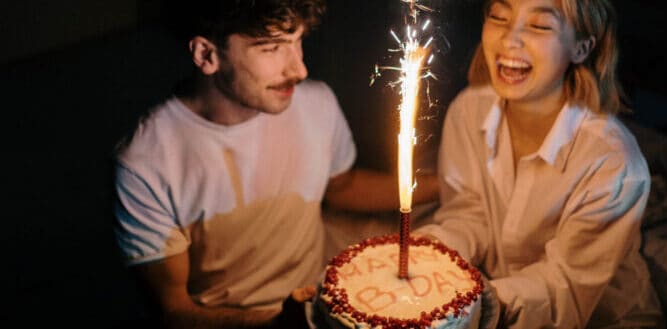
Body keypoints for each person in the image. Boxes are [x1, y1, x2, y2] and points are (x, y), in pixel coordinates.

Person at [112, 1, 438, 328]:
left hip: (324, 298)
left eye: (297, 42)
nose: (299, 70)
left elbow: (341, 187)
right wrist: (281, 323)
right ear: (206, 55)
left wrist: (447, 183)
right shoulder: (146, 162)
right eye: (272, 48)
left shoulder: (315, 102)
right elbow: (175, 312)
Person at [415, 0, 663, 328]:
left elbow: (564, 288)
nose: (509, 39)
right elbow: (469, 212)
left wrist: (477, 302)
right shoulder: (468, 110)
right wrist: (437, 250)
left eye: (540, 26)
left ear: (581, 46)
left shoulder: (614, 165)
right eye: (499, 17)